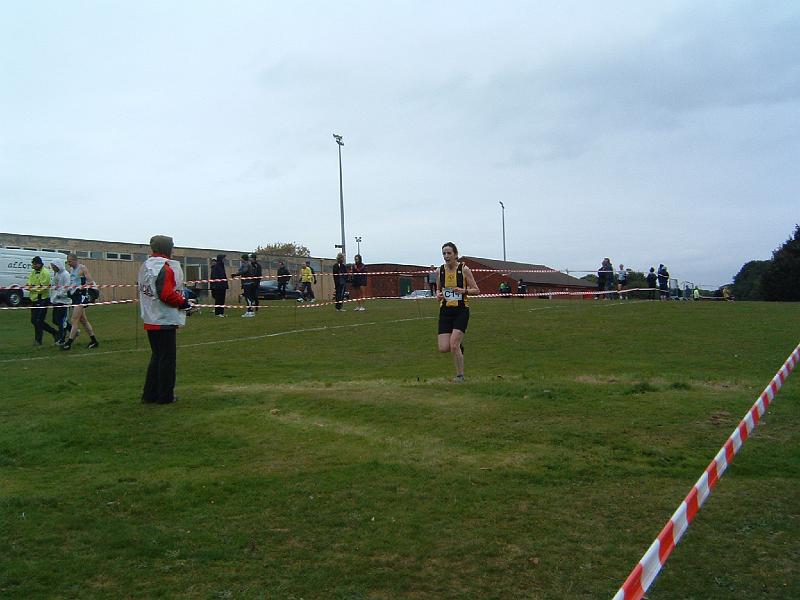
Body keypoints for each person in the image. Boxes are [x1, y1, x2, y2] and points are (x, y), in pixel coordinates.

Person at [138, 235, 197, 405]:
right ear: (167, 248)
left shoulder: (146, 266)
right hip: (163, 319)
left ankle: (149, 395)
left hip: (151, 317)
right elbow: (166, 294)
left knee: (157, 357)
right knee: (167, 360)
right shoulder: (164, 268)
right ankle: (165, 396)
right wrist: (184, 303)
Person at [436, 242, 480, 383]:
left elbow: (476, 290)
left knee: (453, 345)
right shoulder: (440, 271)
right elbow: (438, 289)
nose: (446, 256)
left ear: (455, 254)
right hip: (445, 311)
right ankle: (458, 346)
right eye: (444, 253)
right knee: (444, 348)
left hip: (461, 310)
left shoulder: (464, 269)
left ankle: (460, 375)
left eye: (449, 253)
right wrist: (438, 295)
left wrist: (464, 291)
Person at [62, 253, 99, 350]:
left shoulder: (82, 268)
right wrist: (69, 290)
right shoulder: (71, 270)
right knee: (83, 320)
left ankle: (69, 343)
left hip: (82, 296)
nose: (69, 263)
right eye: (67, 262)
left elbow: (90, 281)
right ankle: (94, 341)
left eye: (70, 261)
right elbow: (73, 282)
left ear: (75, 260)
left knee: (74, 319)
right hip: (75, 296)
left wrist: (80, 287)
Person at [27, 256, 59, 346]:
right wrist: (32, 287)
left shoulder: (45, 273)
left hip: (42, 299)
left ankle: (41, 339)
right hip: (34, 299)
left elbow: (42, 288)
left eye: (35, 264)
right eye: (33, 264)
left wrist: (32, 288)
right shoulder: (33, 272)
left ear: (39, 264)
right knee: (34, 320)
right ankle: (51, 334)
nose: (33, 266)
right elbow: (29, 284)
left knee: (38, 320)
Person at [49, 259, 72, 345]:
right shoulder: (57, 274)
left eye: (54, 266)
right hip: (57, 301)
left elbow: (67, 287)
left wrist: (60, 294)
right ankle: (73, 330)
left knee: (62, 321)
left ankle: (62, 339)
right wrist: (53, 295)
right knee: (55, 320)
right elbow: (54, 285)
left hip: (64, 301)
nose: (53, 268)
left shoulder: (66, 275)